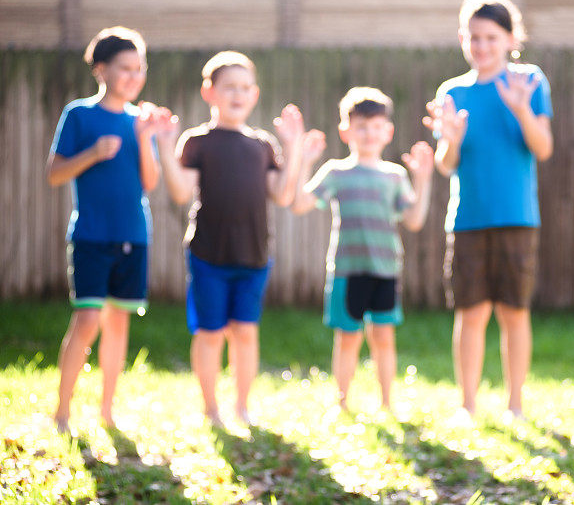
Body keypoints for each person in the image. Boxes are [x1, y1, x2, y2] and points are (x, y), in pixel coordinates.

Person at [156, 51, 306, 426]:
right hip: (208, 255)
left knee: (244, 332)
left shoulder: (262, 145)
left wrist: (295, 148)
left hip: (254, 257)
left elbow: (284, 195)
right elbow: (179, 192)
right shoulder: (197, 142)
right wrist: (163, 145)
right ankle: (211, 408)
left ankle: (242, 406)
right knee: (211, 333)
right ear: (209, 92)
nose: (237, 95)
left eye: (244, 88)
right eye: (229, 87)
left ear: (254, 94)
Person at [423, 0, 553, 417]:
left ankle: (515, 404)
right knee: (471, 313)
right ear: (463, 38)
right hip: (466, 220)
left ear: (511, 40)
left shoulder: (529, 81)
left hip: (517, 218)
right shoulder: (452, 92)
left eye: (491, 38)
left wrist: (520, 110)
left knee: (514, 313)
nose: (481, 46)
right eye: (473, 38)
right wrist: (451, 142)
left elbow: (543, 147)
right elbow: (446, 164)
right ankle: (469, 405)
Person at [46, 26, 170, 432]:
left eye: (140, 69)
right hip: (90, 237)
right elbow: (54, 174)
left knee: (119, 323)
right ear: (101, 69)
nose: (134, 77)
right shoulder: (79, 115)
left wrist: (148, 137)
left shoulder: (140, 121)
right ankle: (62, 411)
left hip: (134, 236)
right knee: (86, 321)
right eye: (125, 68)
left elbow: (149, 183)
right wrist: (94, 153)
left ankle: (107, 411)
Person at [292, 87, 433, 412]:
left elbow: (413, 219)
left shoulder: (395, 176)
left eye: (375, 126)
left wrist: (423, 179)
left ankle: (386, 403)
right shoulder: (335, 172)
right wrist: (304, 161)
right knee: (348, 337)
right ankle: (342, 403)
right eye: (361, 126)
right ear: (345, 130)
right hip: (347, 271)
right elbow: (300, 203)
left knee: (383, 337)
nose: (368, 133)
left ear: (388, 131)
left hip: (385, 270)